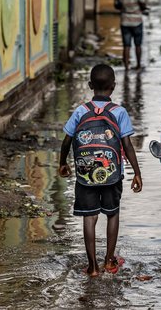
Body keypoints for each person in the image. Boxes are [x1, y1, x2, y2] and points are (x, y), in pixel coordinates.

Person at [58, 64, 143, 277]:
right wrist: (137, 172)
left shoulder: (80, 111)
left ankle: (92, 267)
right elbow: (127, 144)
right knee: (112, 215)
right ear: (113, 87)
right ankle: (109, 262)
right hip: (112, 174)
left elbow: (67, 140)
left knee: (90, 217)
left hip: (85, 174)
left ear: (90, 86)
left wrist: (63, 163)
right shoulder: (119, 112)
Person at [114, 0, 148, 70]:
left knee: (126, 45)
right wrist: (144, 8)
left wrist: (124, 7)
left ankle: (126, 67)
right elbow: (142, 4)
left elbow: (116, 5)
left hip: (125, 21)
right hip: (137, 20)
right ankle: (138, 65)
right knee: (138, 44)